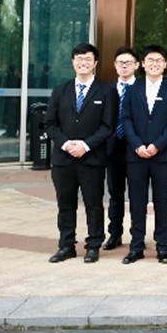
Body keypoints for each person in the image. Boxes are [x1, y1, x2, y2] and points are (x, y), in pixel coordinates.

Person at [46, 43, 116, 264]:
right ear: (73, 62)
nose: (83, 62)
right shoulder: (60, 90)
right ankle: (66, 245)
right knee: (65, 204)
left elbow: (108, 126)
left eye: (87, 59)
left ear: (95, 63)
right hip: (63, 159)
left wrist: (85, 145)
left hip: (91, 158)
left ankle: (93, 245)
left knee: (93, 204)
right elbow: (50, 123)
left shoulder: (107, 91)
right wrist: (66, 144)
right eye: (79, 58)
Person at [121, 44, 167, 264]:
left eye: (159, 60)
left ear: (165, 65)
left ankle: (162, 247)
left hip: (163, 156)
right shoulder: (133, 89)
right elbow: (126, 119)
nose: (154, 64)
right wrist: (137, 144)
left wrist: (157, 145)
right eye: (150, 60)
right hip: (136, 155)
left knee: (161, 203)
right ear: (142, 64)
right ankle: (136, 246)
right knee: (137, 203)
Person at [103, 46, 138, 251]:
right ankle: (114, 234)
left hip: (135, 148)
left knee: (136, 195)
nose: (124, 66)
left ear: (136, 65)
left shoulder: (142, 88)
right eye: (120, 63)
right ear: (115, 65)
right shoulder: (107, 90)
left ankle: (137, 235)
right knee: (115, 193)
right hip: (113, 147)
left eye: (128, 62)